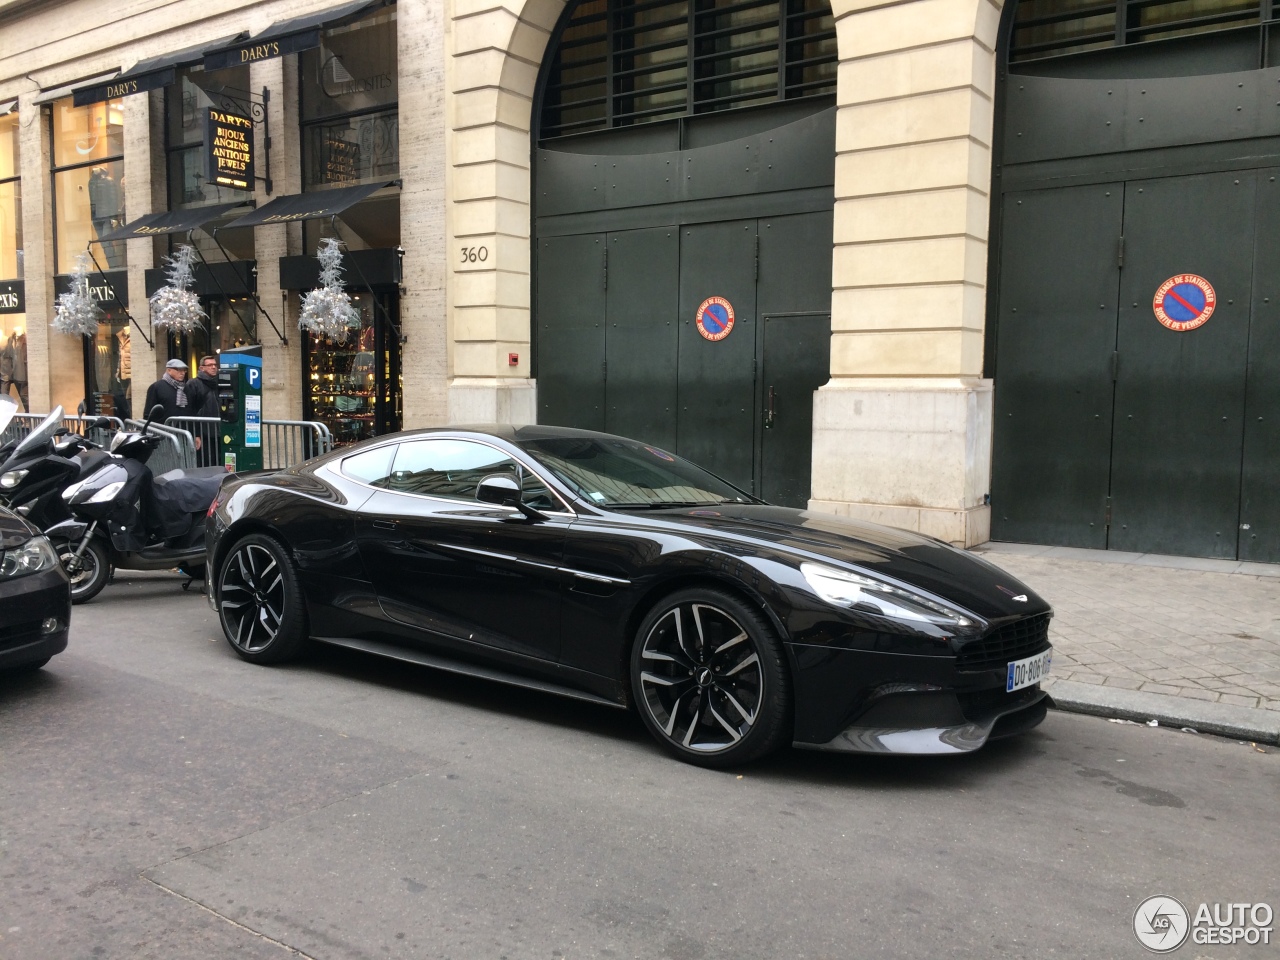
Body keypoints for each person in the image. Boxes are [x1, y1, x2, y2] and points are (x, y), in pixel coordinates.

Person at [186, 355, 222, 467]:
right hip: (203, 432)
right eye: (210, 365)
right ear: (202, 368)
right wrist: (195, 434)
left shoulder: (219, 383)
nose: (213, 367)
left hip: (219, 432)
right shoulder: (193, 384)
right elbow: (189, 410)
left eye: (215, 365)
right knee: (204, 463)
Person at [143, 358, 194, 426]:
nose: (182, 373)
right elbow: (149, 412)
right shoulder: (157, 387)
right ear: (169, 370)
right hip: (163, 430)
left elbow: (191, 411)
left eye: (184, 370)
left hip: (184, 430)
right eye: (179, 370)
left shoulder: (187, 388)